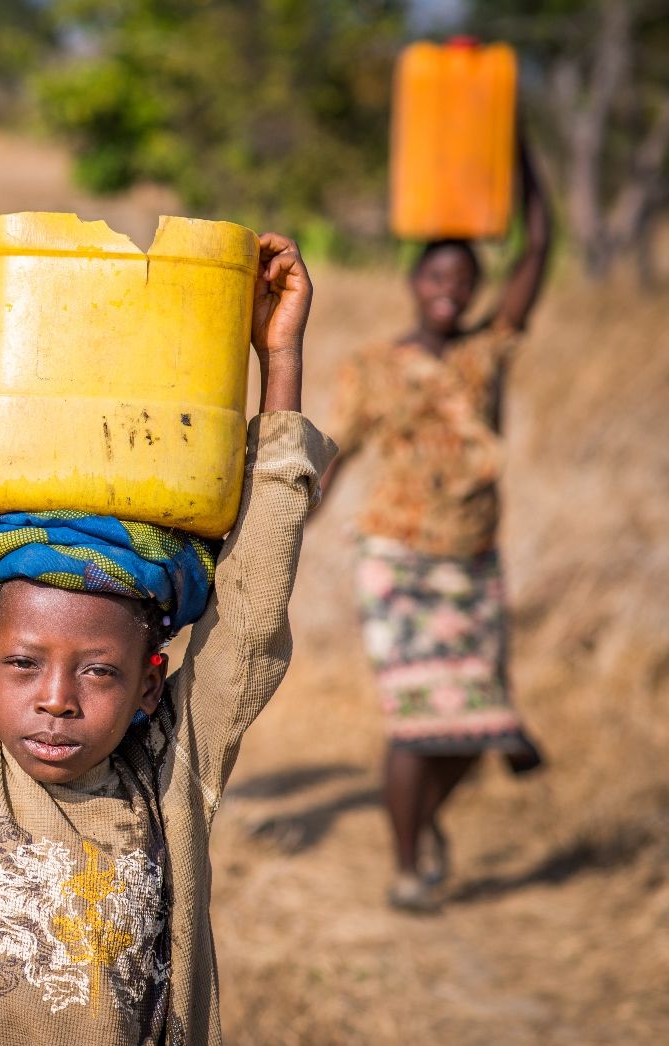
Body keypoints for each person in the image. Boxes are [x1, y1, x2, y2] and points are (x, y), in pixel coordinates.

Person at [0, 216, 335, 1043]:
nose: (56, 701)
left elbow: (250, 621)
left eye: (99, 672)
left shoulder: (170, 779)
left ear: (150, 682)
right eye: (21, 663)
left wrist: (278, 359)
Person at [319, 127, 553, 913]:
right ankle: (406, 865)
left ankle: (422, 824)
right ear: (415, 282)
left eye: (463, 279)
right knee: (417, 723)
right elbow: (339, 454)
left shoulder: (484, 353)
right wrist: (283, 529)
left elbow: (537, 247)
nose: (448, 290)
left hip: (473, 558)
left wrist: (512, 146)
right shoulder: (374, 367)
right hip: (398, 558)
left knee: (477, 729)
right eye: (437, 276)